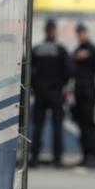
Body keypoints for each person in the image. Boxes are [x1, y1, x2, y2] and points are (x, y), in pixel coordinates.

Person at [30, 19, 70, 166]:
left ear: (45, 31)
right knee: (57, 125)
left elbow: (29, 71)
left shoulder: (36, 49)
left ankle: (34, 158)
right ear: (53, 30)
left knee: (38, 126)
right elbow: (68, 71)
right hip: (55, 92)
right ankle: (57, 158)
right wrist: (60, 84)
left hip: (40, 92)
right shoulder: (60, 49)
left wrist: (35, 86)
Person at [71, 22, 95, 169]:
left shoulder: (94, 50)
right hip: (78, 92)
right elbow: (70, 70)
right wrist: (75, 58)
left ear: (87, 32)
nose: (81, 34)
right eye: (78, 32)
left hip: (89, 92)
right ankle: (85, 155)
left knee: (90, 125)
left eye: (82, 32)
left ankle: (93, 156)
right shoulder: (76, 51)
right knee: (81, 125)